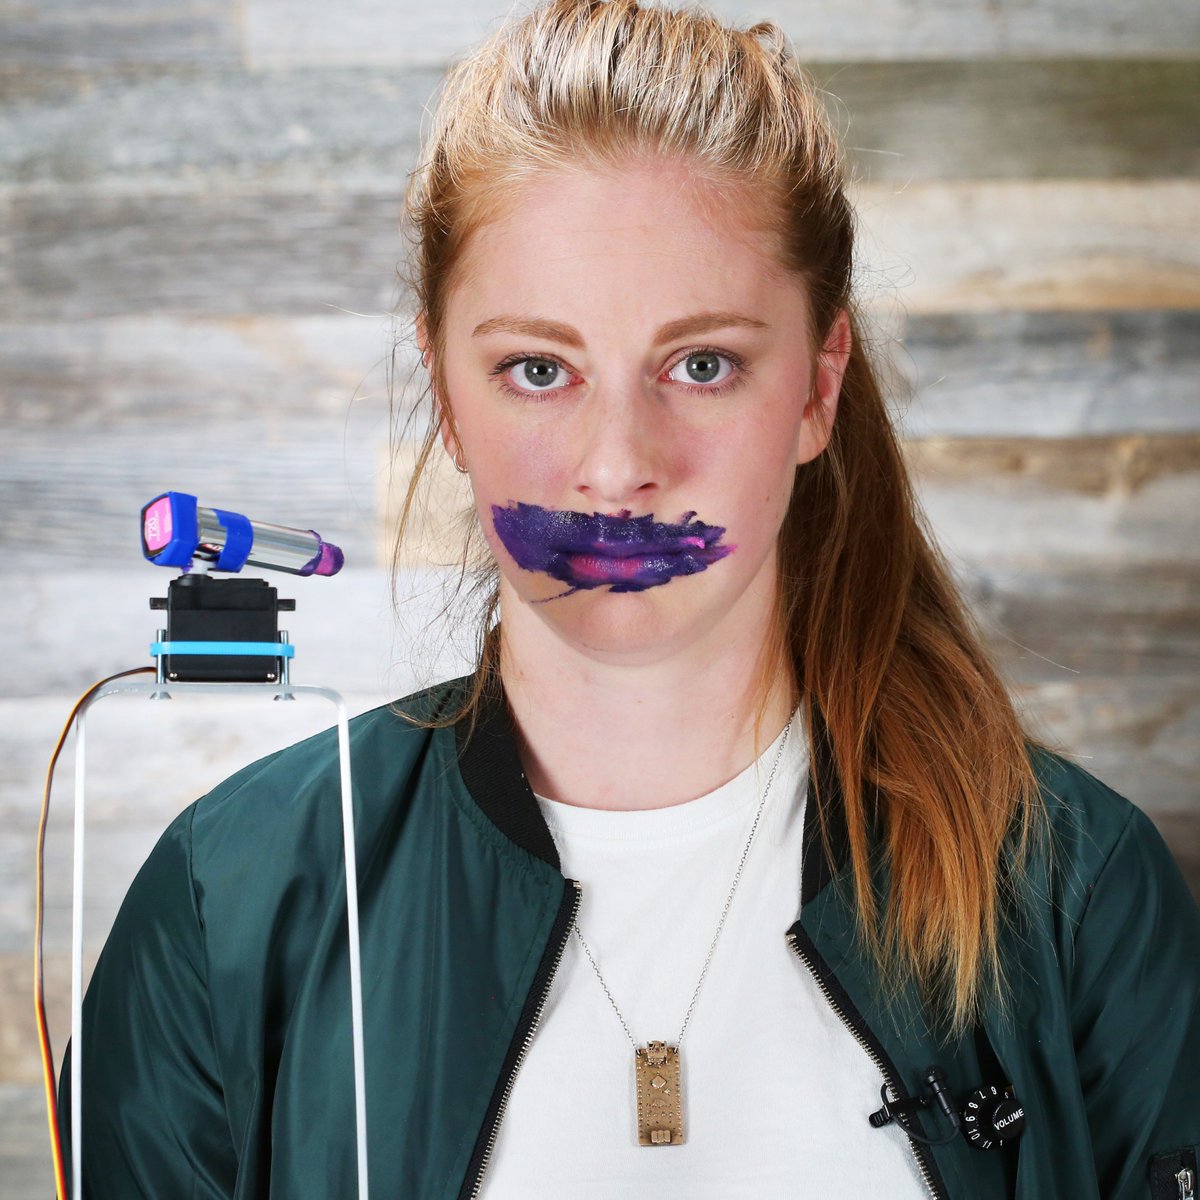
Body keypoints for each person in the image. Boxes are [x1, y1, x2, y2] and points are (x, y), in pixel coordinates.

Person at [60, 1, 1199, 1197]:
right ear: (447, 396)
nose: (616, 467)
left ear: (819, 388)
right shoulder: (229, 901)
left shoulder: (1078, 895)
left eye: (702, 365)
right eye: (537, 370)